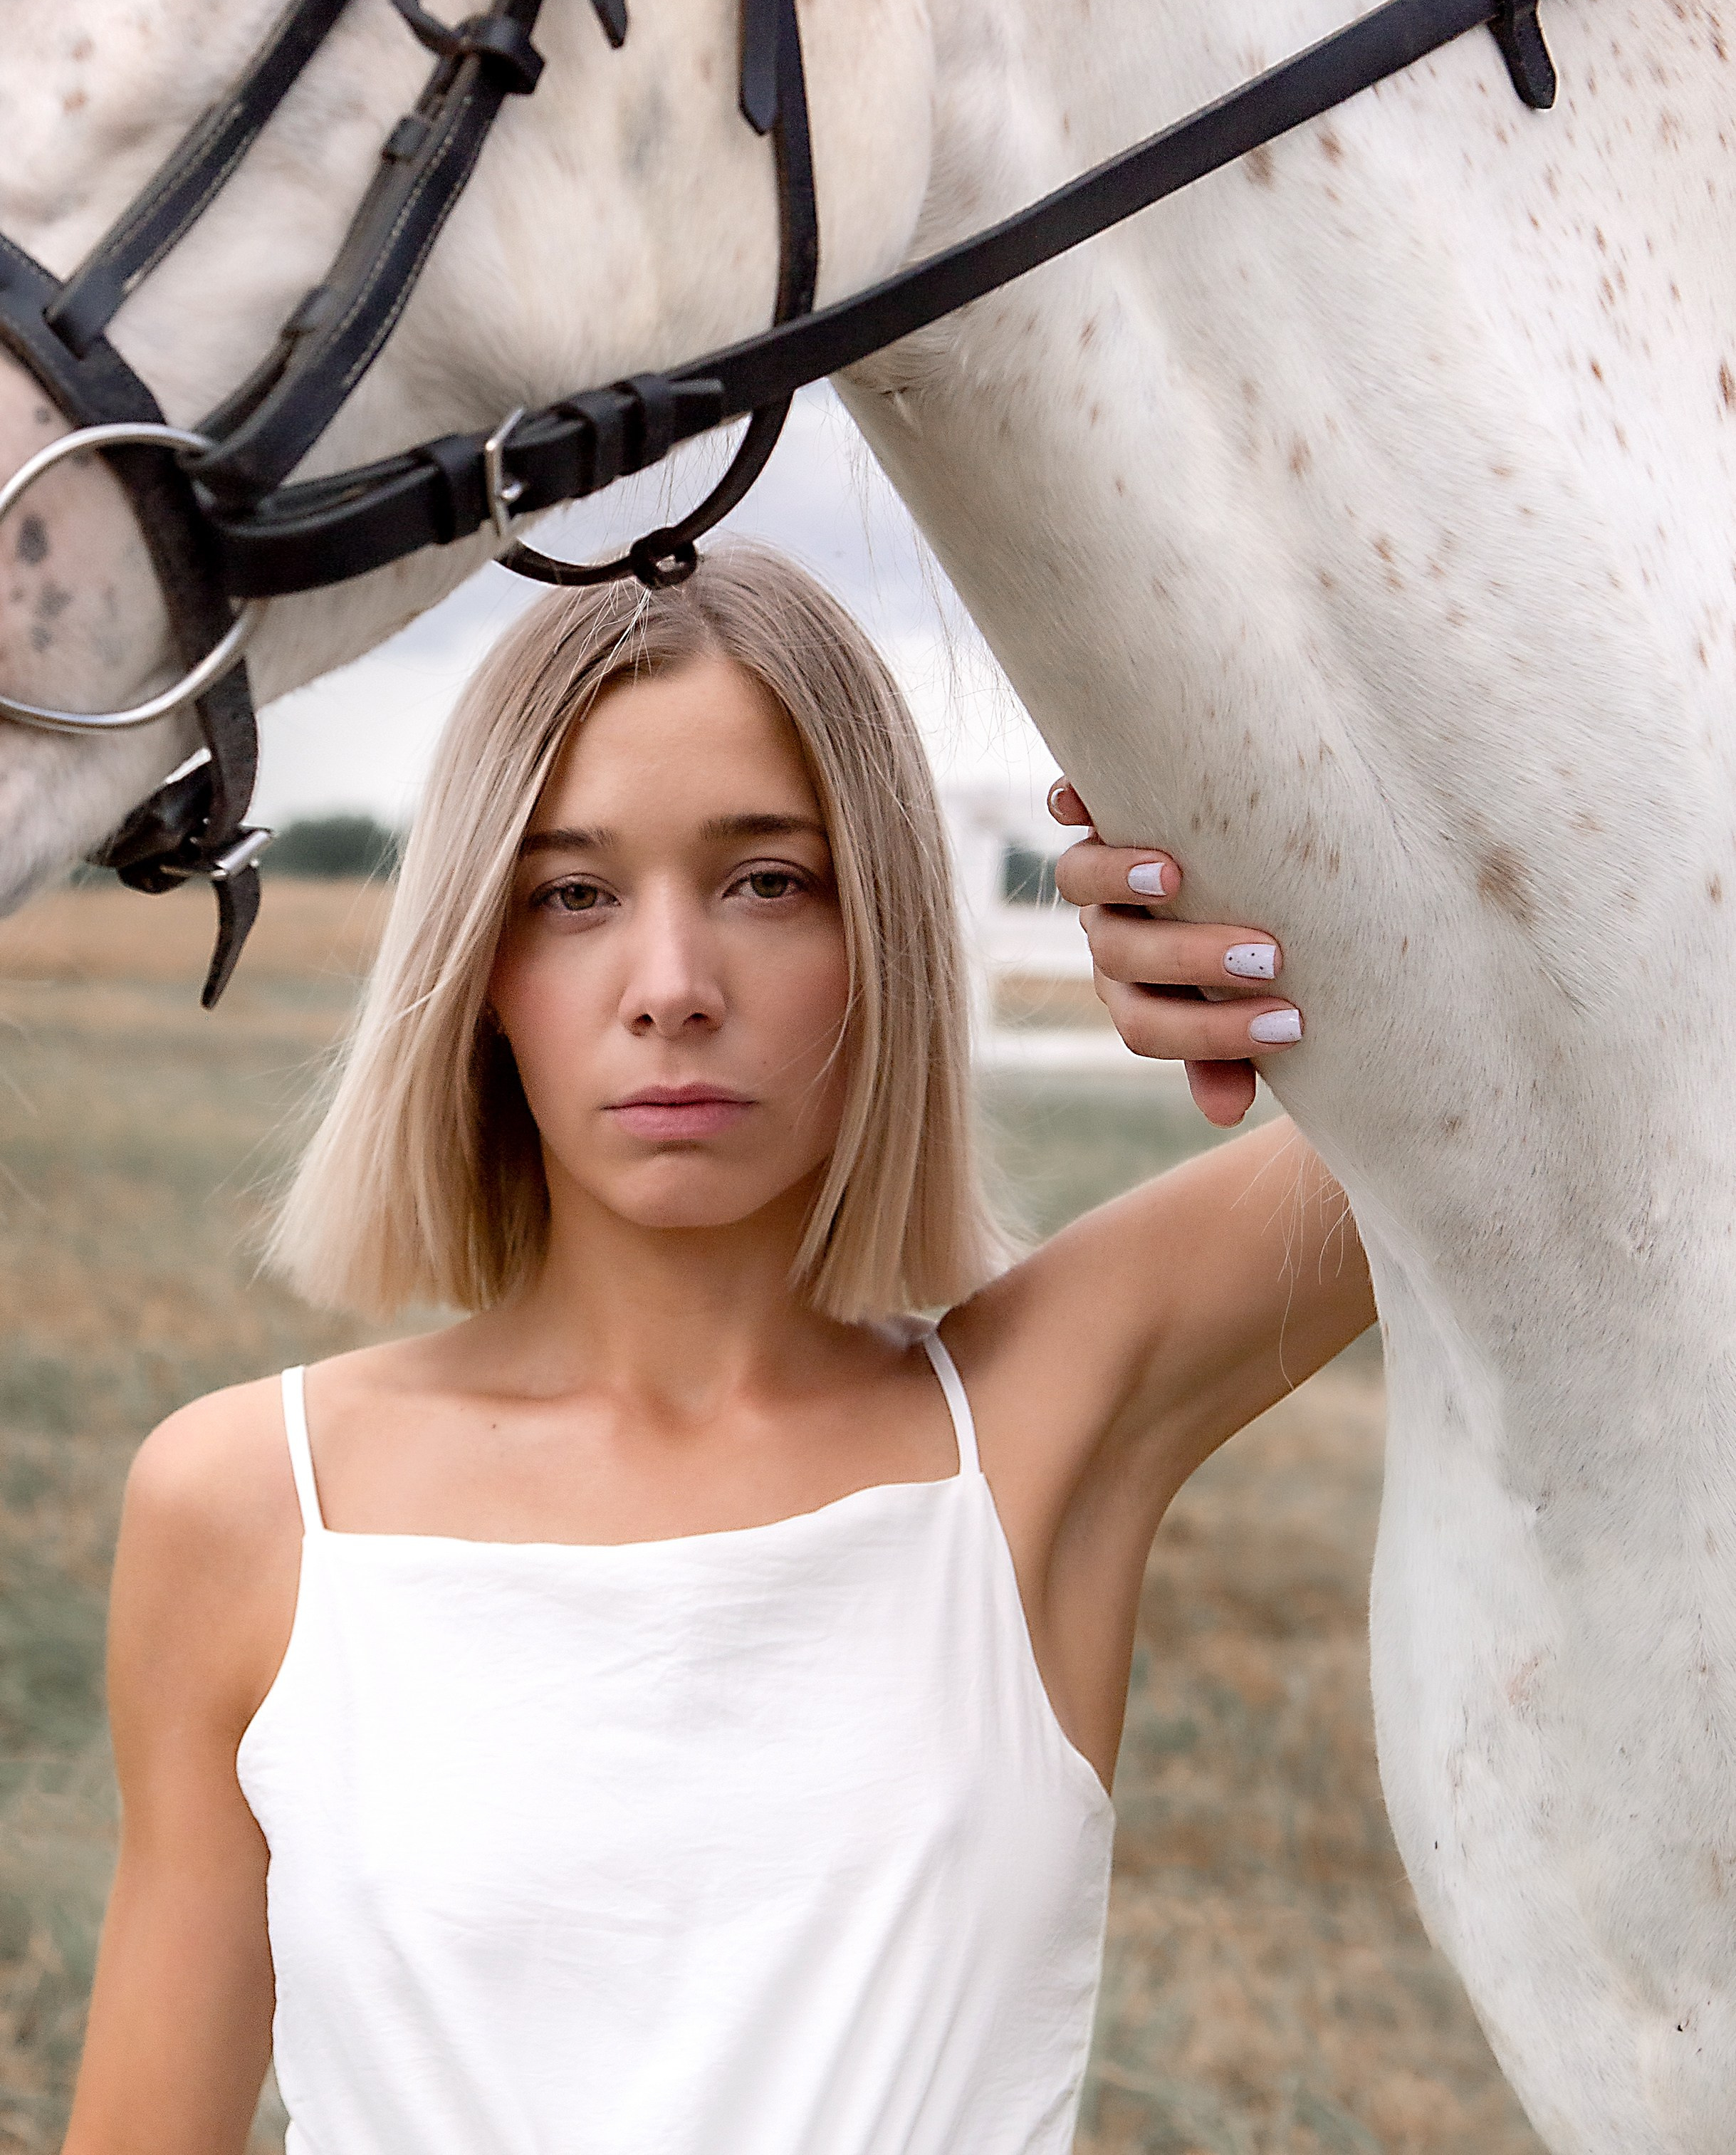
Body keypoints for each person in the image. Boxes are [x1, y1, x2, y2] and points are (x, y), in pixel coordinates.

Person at [63, 546, 1373, 2155]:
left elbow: (1560, 1052)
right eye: (574, 894)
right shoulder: (252, 1505)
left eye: (768, 881)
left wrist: (1245, 896)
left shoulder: (1037, 1425)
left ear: (883, 930)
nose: (671, 988)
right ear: (479, 967)